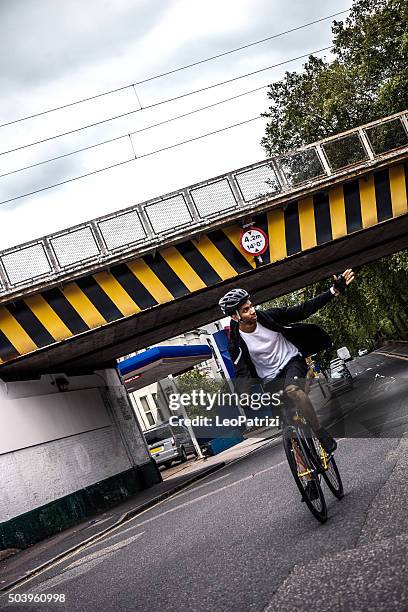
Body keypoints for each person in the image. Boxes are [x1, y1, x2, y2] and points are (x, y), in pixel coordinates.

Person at [218, 270, 355, 455]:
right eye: (245, 310)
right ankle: (307, 477)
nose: (252, 311)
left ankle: (319, 432)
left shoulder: (268, 316)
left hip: (292, 361)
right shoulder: (235, 344)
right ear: (235, 317)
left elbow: (301, 310)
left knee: (294, 390)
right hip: (270, 380)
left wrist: (333, 291)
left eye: (251, 306)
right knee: (289, 432)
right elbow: (242, 373)